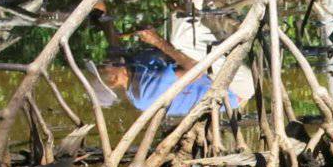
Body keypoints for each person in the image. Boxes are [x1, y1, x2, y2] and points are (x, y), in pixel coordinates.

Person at [97, 18, 257, 116]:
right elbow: (194, 70)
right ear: (113, 80)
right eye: (104, 66)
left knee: (179, 18)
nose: (104, 60)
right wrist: (157, 41)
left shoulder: (131, 69)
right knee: (181, 37)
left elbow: (108, 26)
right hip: (236, 88)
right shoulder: (145, 93)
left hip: (219, 74)